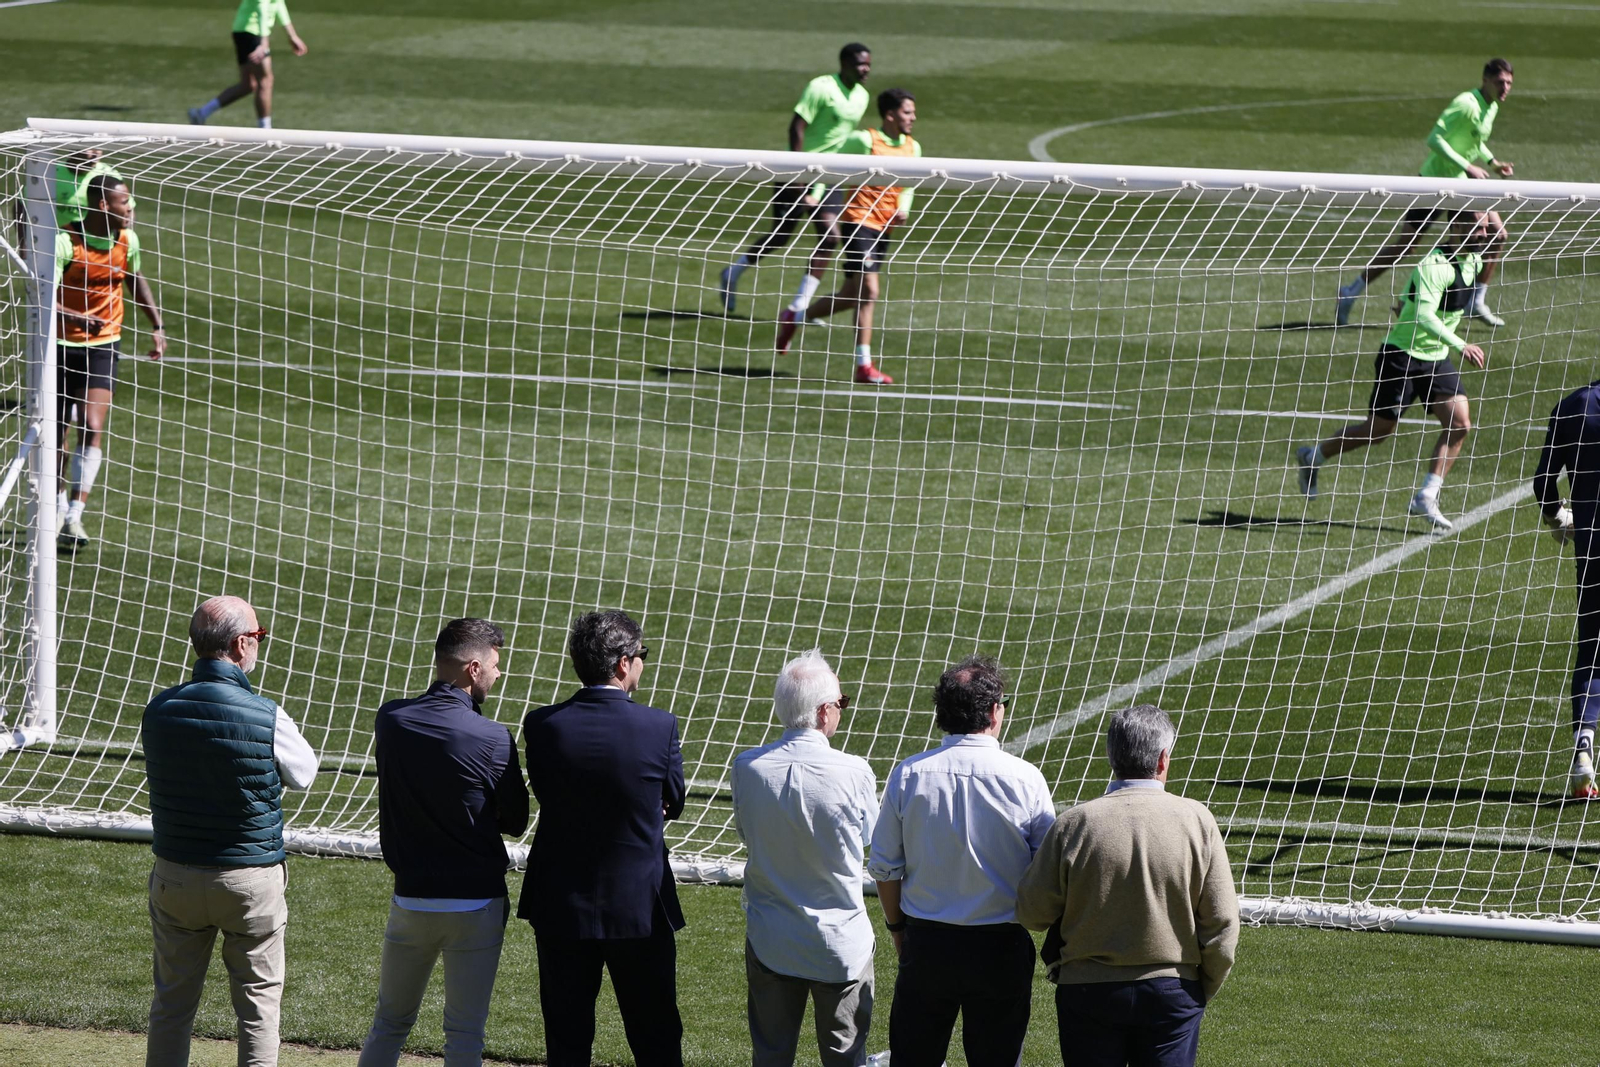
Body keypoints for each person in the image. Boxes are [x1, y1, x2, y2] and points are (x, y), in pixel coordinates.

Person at [141, 595, 319, 1067]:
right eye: (259, 636)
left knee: (171, 1006)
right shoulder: (266, 713)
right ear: (241, 644)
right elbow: (304, 774)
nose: (260, 644)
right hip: (248, 880)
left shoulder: (158, 709)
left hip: (175, 876)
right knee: (258, 1011)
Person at [1016, 704, 1239, 1067]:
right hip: (1173, 990)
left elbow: (1032, 913)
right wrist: (1200, 986)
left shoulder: (1074, 824)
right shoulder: (1197, 820)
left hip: (1087, 991)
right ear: (1163, 759)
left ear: (1111, 756)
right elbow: (1223, 924)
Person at [517, 610, 687, 1067]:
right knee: (656, 1036)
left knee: (566, 1038)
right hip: (639, 908)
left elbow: (547, 791)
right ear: (623, 663)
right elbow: (673, 801)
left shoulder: (542, 724)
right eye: (641, 654)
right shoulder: (659, 726)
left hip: (560, 903)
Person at [868, 655, 1056, 1067]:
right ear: (993, 711)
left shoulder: (908, 774)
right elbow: (1047, 870)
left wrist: (898, 929)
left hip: (928, 943)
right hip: (1000, 947)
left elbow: (883, 867)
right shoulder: (1026, 778)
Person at [358, 618, 529, 1066]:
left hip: (411, 899)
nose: (498, 674)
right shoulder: (493, 737)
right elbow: (516, 821)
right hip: (476, 902)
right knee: (465, 1034)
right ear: (473, 669)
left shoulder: (391, 719)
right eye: (494, 665)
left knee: (388, 1024)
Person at [1296, 211, 1495, 532]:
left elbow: (1412, 296)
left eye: (1487, 228)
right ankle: (1313, 456)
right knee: (1377, 432)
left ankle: (1426, 496)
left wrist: (1405, 302)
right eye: (1479, 228)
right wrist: (1461, 345)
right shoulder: (1435, 265)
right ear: (1456, 226)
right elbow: (1423, 316)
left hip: (1436, 358)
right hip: (1402, 356)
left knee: (1460, 423)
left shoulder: (1474, 260)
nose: (1485, 235)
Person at [731, 650, 879, 1066]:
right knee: (846, 1058)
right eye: (841, 703)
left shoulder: (747, 767)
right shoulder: (855, 771)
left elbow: (746, 833)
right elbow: (870, 840)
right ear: (823, 711)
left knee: (771, 1056)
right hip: (840, 945)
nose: (841, 711)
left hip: (772, 940)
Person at [1336, 59, 1515, 328]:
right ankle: (1351, 292)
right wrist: (1468, 166)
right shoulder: (1466, 103)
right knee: (1407, 245)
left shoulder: (1491, 106)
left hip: (1462, 183)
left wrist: (1493, 163)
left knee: (1497, 235)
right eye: (1501, 82)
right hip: (1435, 182)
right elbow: (1434, 138)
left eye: (1509, 83)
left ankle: (1475, 301)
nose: (1505, 88)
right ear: (1485, 80)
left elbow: (1473, 140)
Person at [774, 89, 920, 385]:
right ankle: (864, 366)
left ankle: (794, 317)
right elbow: (830, 166)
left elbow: (909, 185)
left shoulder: (913, 147)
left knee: (852, 295)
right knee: (870, 291)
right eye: (907, 112)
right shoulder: (863, 141)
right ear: (890, 115)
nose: (913, 118)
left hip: (884, 227)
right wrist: (815, 193)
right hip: (858, 221)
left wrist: (902, 208)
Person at [54, 172, 166, 550]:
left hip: (103, 346)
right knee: (57, 435)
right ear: (104, 205)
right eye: (124, 202)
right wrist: (75, 317)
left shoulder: (127, 240)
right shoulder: (65, 242)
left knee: (91, 423)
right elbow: (41, 296)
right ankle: (55, 508)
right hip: (59, 346)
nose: (131, 207)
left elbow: (135, 278)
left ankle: (74, 515)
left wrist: (157, 325)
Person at [717, 45, 872, 316]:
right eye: (860, 64)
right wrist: (798, 174)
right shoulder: (821, 88)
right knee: (781, 235)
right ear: (845, 63)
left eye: (868, 64)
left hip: (829, 175)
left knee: (830, 237)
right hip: (798, 171)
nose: (866, 69)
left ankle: (799, 307)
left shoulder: (862, 96)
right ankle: (732, 273)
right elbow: (796, 127)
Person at [1531, 382, 1600, 799]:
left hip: (1592, 550)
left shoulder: (1572, 405)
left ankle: (1584, 751)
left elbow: (1543, 482)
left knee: (1592, 652)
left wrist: (1559, 517)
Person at [189, 0, 309, 130]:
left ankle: (202, 113)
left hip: (244, 31)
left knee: (248, 84)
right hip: (252, 32)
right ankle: (265, 131)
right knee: (265, 81)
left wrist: (292, 35)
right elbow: (262, 7)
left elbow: (278, 3)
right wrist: (263, 43)